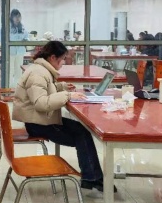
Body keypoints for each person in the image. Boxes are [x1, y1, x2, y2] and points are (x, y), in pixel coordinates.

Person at [12, 41, 115, 193]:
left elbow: (45, 89)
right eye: (62, 59)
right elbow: (41, 103)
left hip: (40, 120)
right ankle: (92, 178)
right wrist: (67, 95)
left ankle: (91, 177)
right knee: (81, 135)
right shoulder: (38, 74)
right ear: (53, 57)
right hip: (38, 123)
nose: (64, 63)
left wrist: (62, 87)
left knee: (81, 130)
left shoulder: (40, 70)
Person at [9, 8, 29, 86]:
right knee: (10, 70)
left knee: (18, 70)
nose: (17, 18)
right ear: (12, 17)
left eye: (19, 16)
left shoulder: (22, 27)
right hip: (10, 51)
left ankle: (17, 87)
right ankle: (9, 87)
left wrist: (26, 40)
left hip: (20, 52)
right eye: (15, 16)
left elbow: (27, 36)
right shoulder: (8, 26)